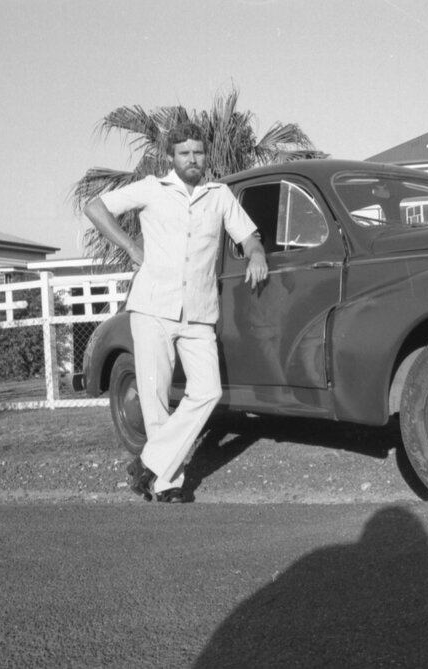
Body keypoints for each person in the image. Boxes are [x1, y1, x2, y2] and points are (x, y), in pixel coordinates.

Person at [83, 123, 267, 503]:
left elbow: (247, 236)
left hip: (199, 312)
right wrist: (132, 248)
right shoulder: (153, 189)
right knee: (155, 399)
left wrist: (257, 254)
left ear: (205, 155)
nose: (193, 159)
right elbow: (94, 207)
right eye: (185, 153)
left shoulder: (219, 195)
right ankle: (168, 484)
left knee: (208, 391)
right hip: (152, 308)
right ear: (171, 157)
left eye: (198, 152)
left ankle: (147, 462)